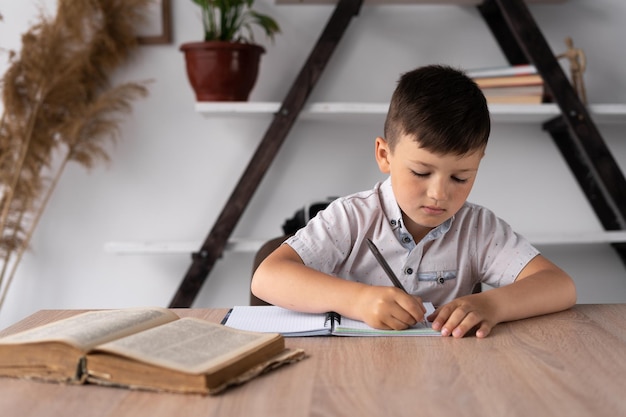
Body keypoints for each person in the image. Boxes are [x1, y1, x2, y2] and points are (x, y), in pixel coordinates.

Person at [251, 65, 577, 338]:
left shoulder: (479, 229)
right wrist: (359, 300)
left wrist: (492, 305)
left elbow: (560, 285)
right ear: (384, 155)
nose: (439, 194)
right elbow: (268, 277)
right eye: (421, 172)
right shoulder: (351, 217)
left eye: (460, 177)